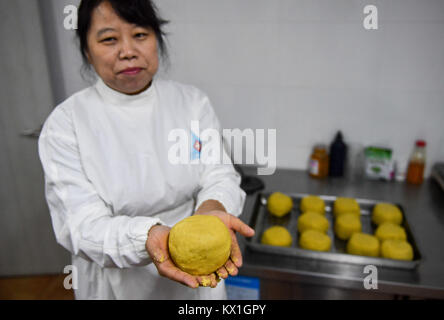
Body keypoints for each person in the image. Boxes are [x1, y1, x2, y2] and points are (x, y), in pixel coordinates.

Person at [38, 0, 254, 300]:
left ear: (157, 40)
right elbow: (81, 224)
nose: (128, 51)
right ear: (87, 51)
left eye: (140, 35)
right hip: (117, 277)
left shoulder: (191, 103)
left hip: (198, 266)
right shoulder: (66, 123)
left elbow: (219, 174)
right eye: (109, 39)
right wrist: (148, 237)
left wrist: (213, 208)